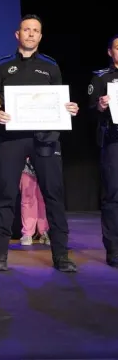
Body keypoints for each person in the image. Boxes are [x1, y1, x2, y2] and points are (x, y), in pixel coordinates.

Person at [0, 14, 79, 273]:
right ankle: (0, 255)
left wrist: (69, 108)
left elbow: (59, 100)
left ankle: (61, 256)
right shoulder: (2, 65)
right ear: (18, 34)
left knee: (53, 195)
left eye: (35, 30)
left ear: (40, 36)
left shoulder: (50, 66)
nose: (30, 34)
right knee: (6, 195)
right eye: (26, 30)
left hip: (45, 137)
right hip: (11, 138)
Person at [88, 34, 118, 268]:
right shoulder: (101, 77)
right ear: (110, 51)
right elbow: (90, 108)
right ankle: (114, 249)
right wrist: (100, 105)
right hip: (113, 141)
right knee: (112, 195)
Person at [20, 158, 50, 246]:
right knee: (27, 199)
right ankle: (27, 233)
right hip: (26, 166)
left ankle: (44, 231)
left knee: (43, 199)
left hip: (44, 162)